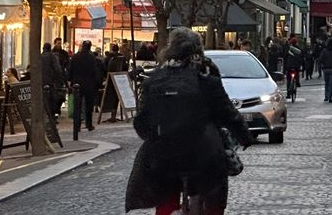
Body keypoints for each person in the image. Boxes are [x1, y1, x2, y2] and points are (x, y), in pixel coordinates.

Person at [125, 27, 253, 215]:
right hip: (203, 154)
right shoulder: (206, 76)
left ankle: (166, 210)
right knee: (214, 192)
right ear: (198, 50)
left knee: (165, 195)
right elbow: (227, 112)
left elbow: (142, 120)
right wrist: (244, 136)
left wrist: (154, 137)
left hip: (164, 155)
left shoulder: (155, 80)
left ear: (170, 49)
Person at [68, 40, 99, 131]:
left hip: (77, 84)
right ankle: (89, 124)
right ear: (89, 47)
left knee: (77, 105)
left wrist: (70, 81)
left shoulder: (75, 57)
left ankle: (77, 126)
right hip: (89, 84)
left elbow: (70, 70)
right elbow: (94, 71)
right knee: (89, 105)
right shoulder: (92, 58)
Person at [41, 42, 67, 117]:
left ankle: (45, 114)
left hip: (42, 81)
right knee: (52, 99)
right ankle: (51, 117)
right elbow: (58, 69)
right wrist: (61, 80)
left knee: (43, 99)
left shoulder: (39, 56)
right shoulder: (52, 56)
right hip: (51, 81)